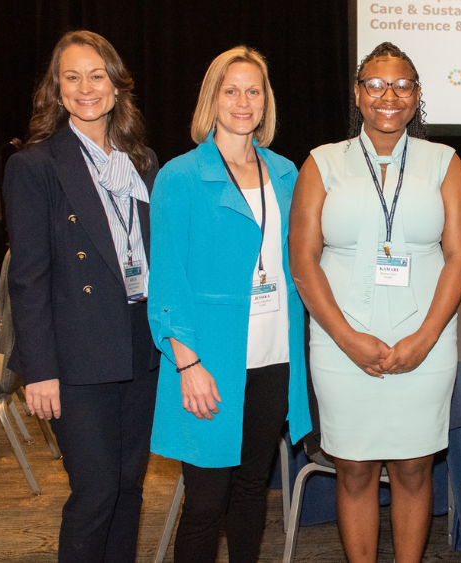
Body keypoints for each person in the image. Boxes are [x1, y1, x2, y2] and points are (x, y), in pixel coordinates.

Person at [288, 42, 461, 563]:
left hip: (426, 341)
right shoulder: (322, 163)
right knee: (354, 468)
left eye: (401, 85)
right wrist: (347, 339)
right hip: (339, 341)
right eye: (375, 84)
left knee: (415, 468)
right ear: (357, 93)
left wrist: (424, 338)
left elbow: (459, 257)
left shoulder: (445, 162)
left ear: (416, 95)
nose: (388, 95)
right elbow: (303, 260)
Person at [147, 46, 311, 563]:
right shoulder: (180, 176)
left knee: (249, 493)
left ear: (266, 102)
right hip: (209, 363)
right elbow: (167, 282)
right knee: (205, 502)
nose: (244, 101)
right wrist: (186, 363)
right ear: (212, 99)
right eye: (231, 90)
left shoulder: (286, 174)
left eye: (253, 91)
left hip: (273, 360)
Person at [2, 30, 160, 562]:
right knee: (95, 494)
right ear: (57, 89)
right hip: (76, 358)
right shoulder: (34, 167)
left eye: (97, 75)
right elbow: (28, 278)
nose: (86, 87)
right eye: (72, 77)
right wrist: (39, 370)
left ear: (117, 87)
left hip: (141, 349)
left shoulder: (142, 162)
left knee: (129, 490)